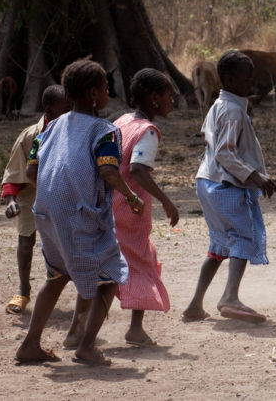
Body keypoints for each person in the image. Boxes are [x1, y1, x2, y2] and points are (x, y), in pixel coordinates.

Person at [14, 60, 144, 366]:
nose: (108, 91)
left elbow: (32, 170)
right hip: (80, 215)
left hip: (47, 213)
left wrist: (54, 192)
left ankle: (30, 343)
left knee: (57, 276)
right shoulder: (105, 131)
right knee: (110, 275)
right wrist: (132, 196)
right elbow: (109, 171)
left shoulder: (51, 127)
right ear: (93, 93)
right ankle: (86, 345)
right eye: (105, 87)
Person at [183, 50, 276, 324]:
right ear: (227, 78)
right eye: (246, 77)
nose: (251, 82)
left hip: (207, 180)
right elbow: (225, 153)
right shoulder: (234, 110)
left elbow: (208, 135)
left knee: (219, 245)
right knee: (243, 237)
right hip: (225, 184)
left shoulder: (219, 105)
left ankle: (195, 304)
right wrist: (255, 176)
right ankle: (229, 298)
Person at [112, 69, 181, 347]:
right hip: (131, 209)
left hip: (112, 202)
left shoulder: (123, 121)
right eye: (169, 96)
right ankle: (135, 329)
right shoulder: (148, 132)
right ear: (154, 98)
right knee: (140, 261)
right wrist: (166, 200)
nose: (172, 102)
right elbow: (139, 170)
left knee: (113, 263)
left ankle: (81, 326)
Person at [0, 84, 71, 316]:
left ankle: (76, 292)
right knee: (26, 240)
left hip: (61, 195)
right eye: (65, 109)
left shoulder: (72, 132)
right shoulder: (31, 136)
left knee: (67, 242)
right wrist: (10, 201)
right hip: (31, 194)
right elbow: (13, 175)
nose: (70, 113)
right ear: (49, 110)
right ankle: (23, 290)